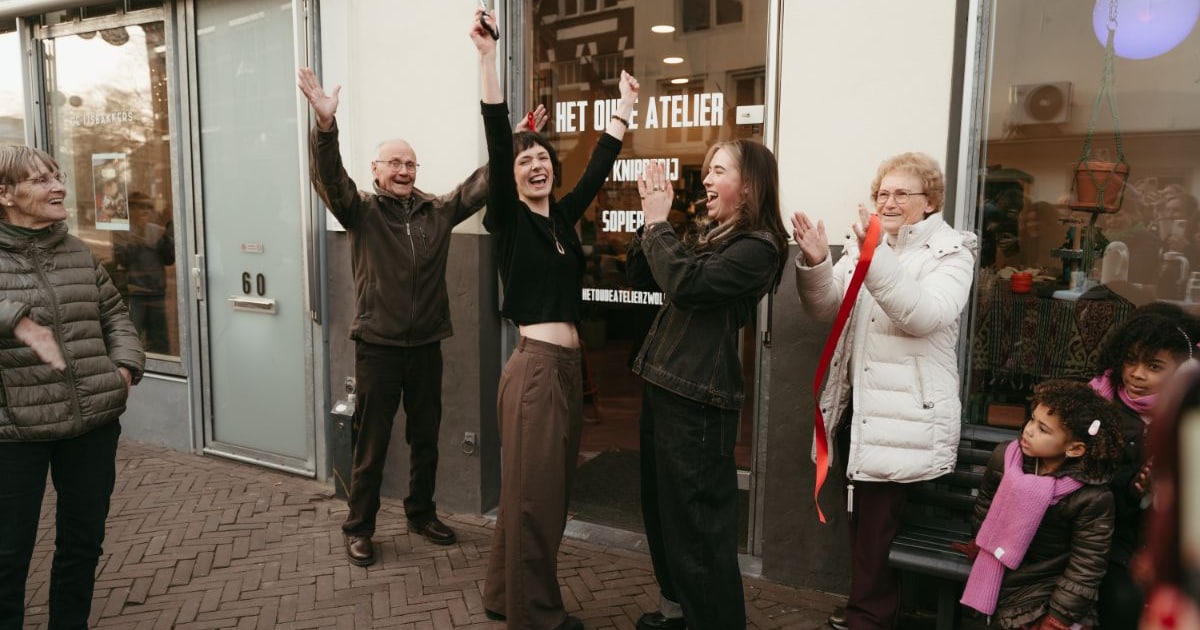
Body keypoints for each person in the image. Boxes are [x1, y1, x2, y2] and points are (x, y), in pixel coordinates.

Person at [299, 68, 545, 566]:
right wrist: (326, 127)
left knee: (425, 438)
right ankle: (360, 526)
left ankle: (420, 512)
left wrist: (515, 139)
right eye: (395, 163)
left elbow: (481, 184)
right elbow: (328, 178)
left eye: (411, 163)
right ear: (376, 169)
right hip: (378, 347)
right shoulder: (361, 211)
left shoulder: (436, 211)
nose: (405, 170)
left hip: (427, 344)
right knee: (371, 444)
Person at [471, 9, 637, 629]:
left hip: (568, 372)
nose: (536, 164)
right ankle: (535, 614)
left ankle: (499, 594)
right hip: (536, 375)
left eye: (541, 156)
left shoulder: (561, 222)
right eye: (524, 161)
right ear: (509, 180)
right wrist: (488, 61)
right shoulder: (510, 223)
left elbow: (595, 172)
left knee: (539, 499)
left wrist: (621, 113)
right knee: (536, 503)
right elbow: (494, 136)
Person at [791, 152, 976, 630]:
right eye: (882, 194)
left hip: (906, 419)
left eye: (901, 193)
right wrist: (815, 262)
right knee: (865, 531)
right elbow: (826, 307)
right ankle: (872, 611)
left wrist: (875, 255)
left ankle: (868, 619)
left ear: (930, 200)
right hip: (863, 413)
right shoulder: (864, 246)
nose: (888, 202)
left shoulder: (952, 253)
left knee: (873, 534)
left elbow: (923, 315)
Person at [627, 148, 788, 630]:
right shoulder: (711, 234)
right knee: (663, 517)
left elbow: (687, 285)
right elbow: (643, 276)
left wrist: (660, 226)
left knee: (698, 533)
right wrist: (648, 222)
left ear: (751, 185)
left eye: (720, 170)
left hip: (699, 401)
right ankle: (678, 612)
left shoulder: (759, 247)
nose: (707, 181)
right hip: (665, 387)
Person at [0, 145, 145, 627]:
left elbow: (114, 314)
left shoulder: (77, 249)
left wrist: (123, 368)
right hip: (13, 433)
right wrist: (17, 320)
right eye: (41, 180)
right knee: (8, 558)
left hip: (91, 425)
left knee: (82, 545)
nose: (58, 185)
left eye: (56, 175)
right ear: (5, 195)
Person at [961, 380, 1123, 630]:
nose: (1029, 430)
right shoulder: (1006, 459)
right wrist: (983, 542)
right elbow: (985, 506)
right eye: (1031, 419)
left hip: (1051, 576)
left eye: (1043, 429)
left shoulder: (1093, 497)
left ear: (1075, 449)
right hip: (1004, 567)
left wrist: (1058, 616)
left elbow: (1086, 566)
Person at [1088, 303, 1200, 629]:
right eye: (1130, 361)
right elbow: (1095, 493)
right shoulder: (1105, 413)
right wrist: (1135, 488)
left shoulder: (1186, 415)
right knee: (1125, 603)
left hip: (1167, 552)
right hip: (1113, 549)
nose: (1137, 374)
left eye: (1153, 366)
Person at [112, 192, 175, 354]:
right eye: (141, 207)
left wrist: (167, 236)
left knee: (159, 340)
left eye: (149, 207)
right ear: (130, 210)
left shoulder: (157, 231)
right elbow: (122, 259)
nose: (145, 211)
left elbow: (168, 259)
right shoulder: (121, 232)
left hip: (157, 292)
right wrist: (139, 234)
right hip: (134, 293)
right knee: (132, 339)